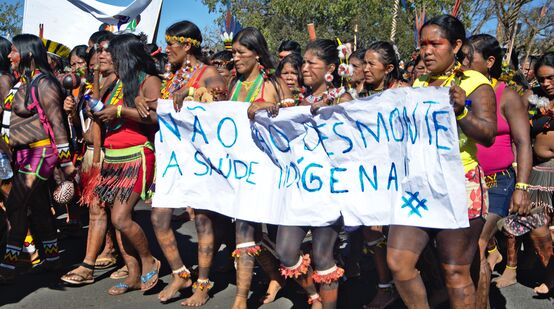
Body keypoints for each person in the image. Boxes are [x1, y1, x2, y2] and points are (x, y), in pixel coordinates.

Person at [387, 15, 496, 308]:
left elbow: (487, 134)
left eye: (436, 43)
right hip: (419, 184)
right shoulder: (419, 82)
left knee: (455, 269)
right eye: (423, 44)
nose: (427, 50)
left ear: (456, 45)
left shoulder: (475, 83)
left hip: (458, 184)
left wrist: (462, 111)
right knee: (398, 261)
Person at [274, 38, 352, 309]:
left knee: (322, 255)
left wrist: (335, 114)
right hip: (298, 189)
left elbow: (352, 144)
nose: (303, 68)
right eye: (302, 62)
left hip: (329, 191)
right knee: (285, 250)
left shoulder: (343, 98)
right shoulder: (296, 101)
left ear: (331, 67)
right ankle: (315, 296)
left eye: (310, 62)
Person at [153, 20, 225, 306]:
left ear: (187, 46)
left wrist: (194, 95)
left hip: (202, 161)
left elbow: (222, 105)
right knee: (159, 217)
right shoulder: (173, 77)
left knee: (204, 221)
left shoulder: (209, 74)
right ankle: (180, 273)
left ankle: (203, 284)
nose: (166, 50)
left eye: (171, 44)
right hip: (174, 159)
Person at [462, 33, 532, 308]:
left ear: (490, 61)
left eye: (469, 58)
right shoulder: (460, 91)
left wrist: (522, 188)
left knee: (477, 245)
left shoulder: (507, 95)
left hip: (497, 184)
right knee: (461, 250)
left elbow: (523, 142)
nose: (463, 63)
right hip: (467, 181)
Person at [0, 34, 76, 283]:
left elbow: (57, 124)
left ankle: (9, 265)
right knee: (40, 208)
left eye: (13, 51)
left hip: (41, 153)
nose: (10, 56)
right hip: (23, 155)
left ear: (28, 54)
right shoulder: (24, 82)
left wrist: (66, 165)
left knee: (15, 205)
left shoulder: (44, 84)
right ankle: (53, 261)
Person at [89, 33, 161, 295]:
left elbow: (155, 117)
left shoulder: (149, 80)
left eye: (113, 54)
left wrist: (119, 111)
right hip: (113, 156)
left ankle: (148, 260)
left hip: (136, 155)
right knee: (118, 223)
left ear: (127, 56)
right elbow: (104, 111)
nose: (108, 58)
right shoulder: (118, 82)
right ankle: (132, 275)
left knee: (121, 218)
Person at [229, 27, 288, 309]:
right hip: (240, 171)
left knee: (274, 233)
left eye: (241, 53)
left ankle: (283, 277)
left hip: (269, 170)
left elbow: (290, 117)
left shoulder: (273, 84)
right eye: (233, 53)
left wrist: (269, 106)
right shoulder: (232, 83)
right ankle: (245, 295)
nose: (236, 59)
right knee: (245, 228)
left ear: (256, 53)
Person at [60, 32, 122, 286]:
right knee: (97, 210)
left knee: (118, 215)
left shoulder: (123, 83)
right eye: (95, 52)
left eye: (101, 51)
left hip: (113, 154)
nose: (96, 56)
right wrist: (73, 114)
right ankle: (90, 263)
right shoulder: (87, 87)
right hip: (91, 153)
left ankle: (133, 260)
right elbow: (82, 125)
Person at [499, 51, 554, 296]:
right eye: (542, 79)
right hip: (536, 172)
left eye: (551, 78)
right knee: (535, 224)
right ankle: (541, 273)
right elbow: (514, 129)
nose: (546, 84)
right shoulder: (533, 99)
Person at [358, 40, 405, 309]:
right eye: (363, 63)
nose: (364, 69)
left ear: (388, 68)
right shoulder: (361, 95)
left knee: (404, 237)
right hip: (372, 177)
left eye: (370, 64)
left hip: (401, 178)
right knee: (372, 232)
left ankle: (425, 286)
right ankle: (385, 286)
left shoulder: (405, 93)